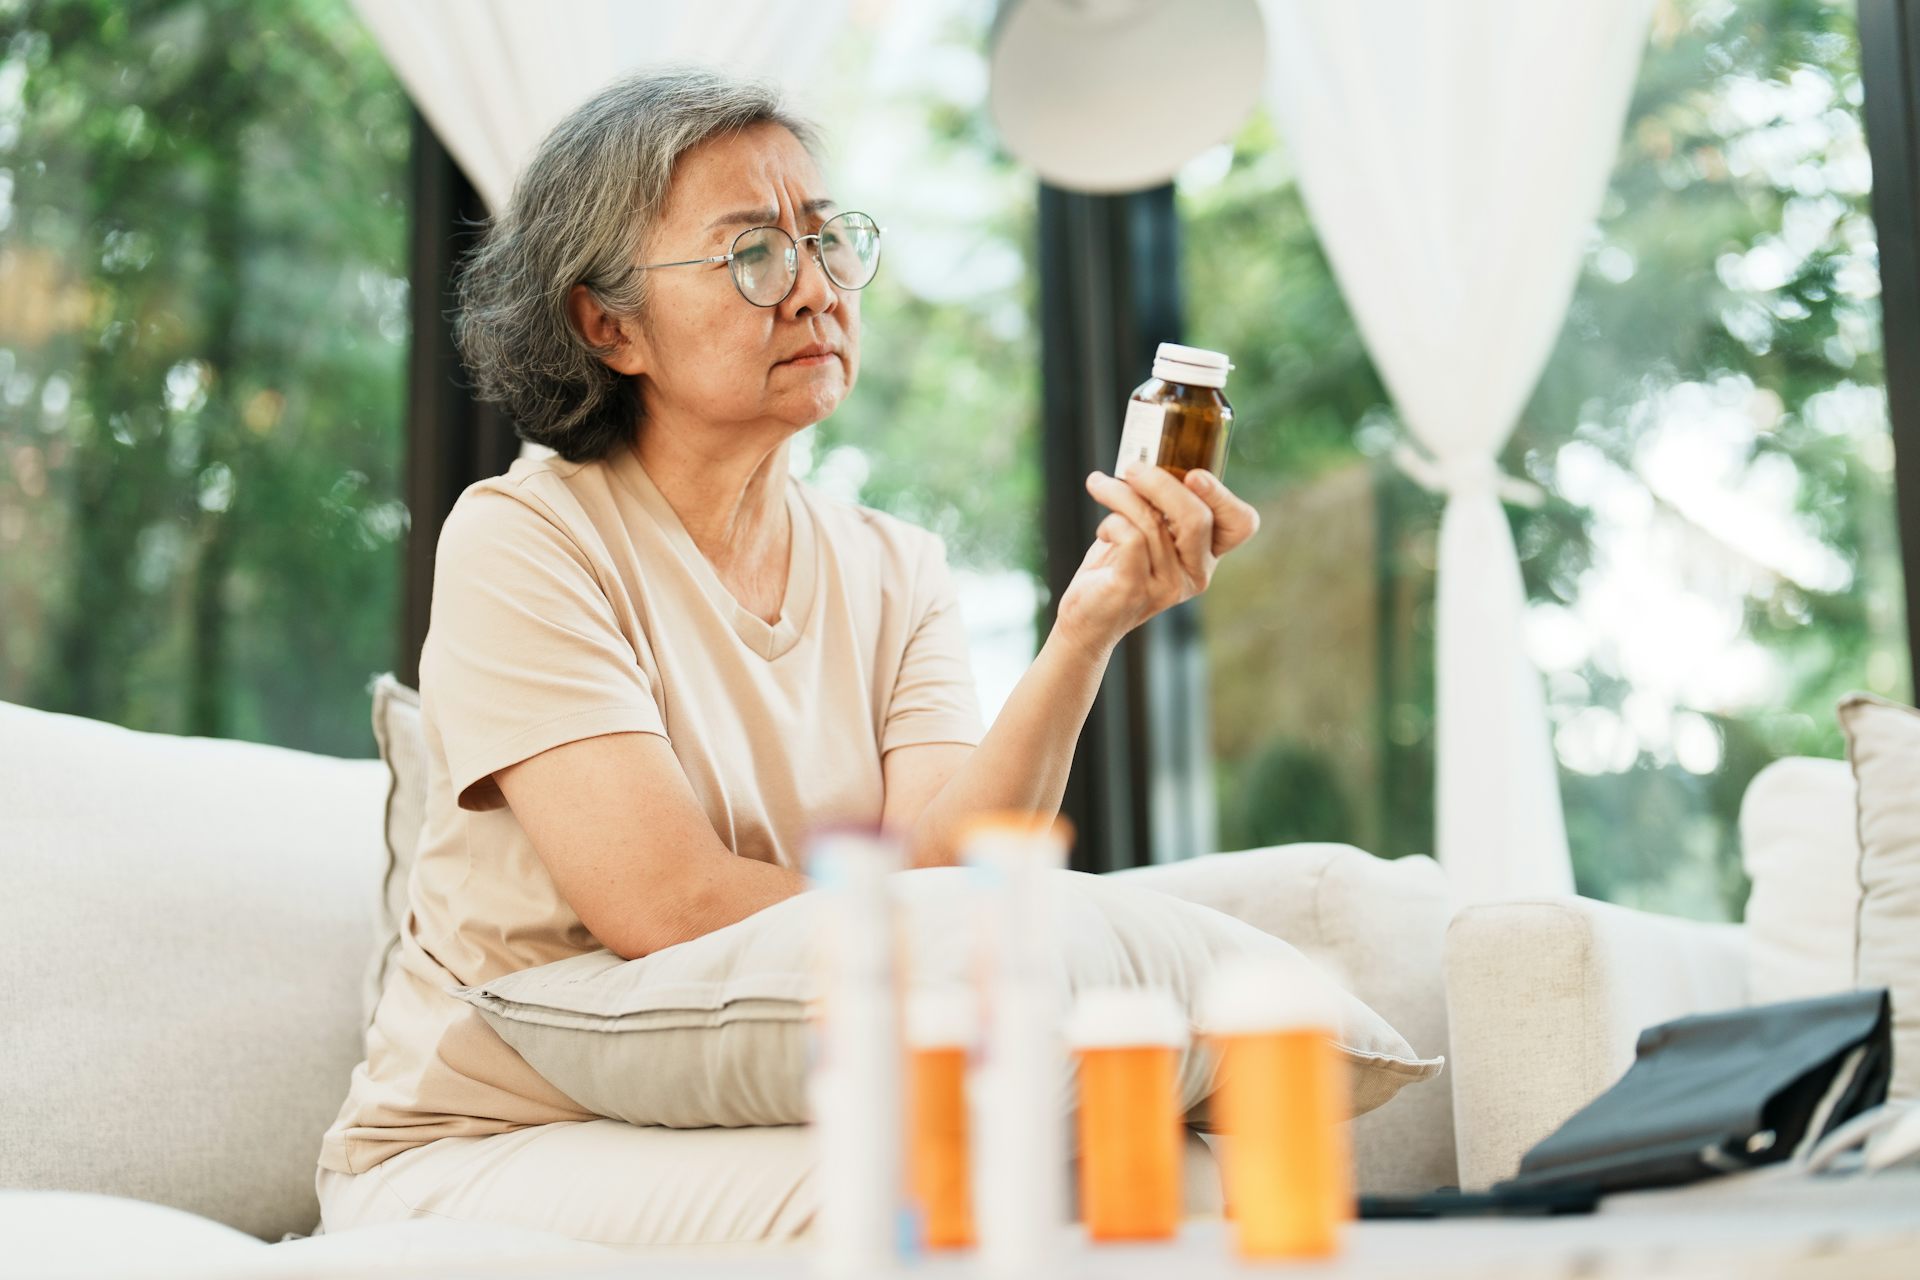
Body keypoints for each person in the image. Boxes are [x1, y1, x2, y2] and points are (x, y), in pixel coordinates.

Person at [314, 64, 1260, 1250]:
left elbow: (950, 866)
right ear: (607, 324)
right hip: (484, 1140)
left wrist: (1089, 628)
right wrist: (937, 926)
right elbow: (667, 902)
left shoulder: (895, 565)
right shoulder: (525, 538)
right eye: (754, 252)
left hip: (747, 1107)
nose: (815, 290)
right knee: (964, 1194)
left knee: (1184, 1177)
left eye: (828, 240)